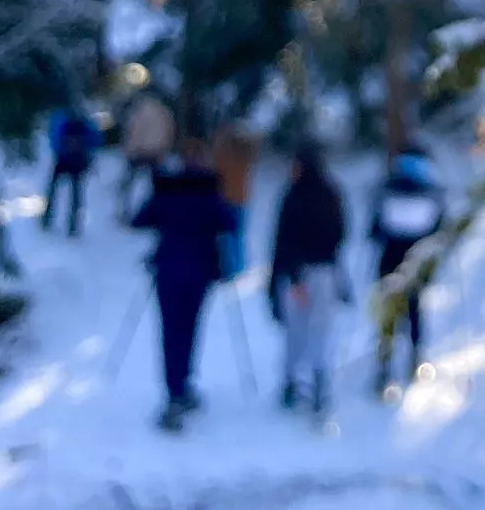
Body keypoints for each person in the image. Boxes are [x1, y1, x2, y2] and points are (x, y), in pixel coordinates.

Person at [132, 141, 239, 431]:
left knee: (170, 330)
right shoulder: (208, 193)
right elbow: (230, 223)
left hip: (167, 270)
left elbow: (140, 219)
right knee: (190, 328)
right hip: (200, 272)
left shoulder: (169, 190)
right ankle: (182, 386)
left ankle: (173, 392)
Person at [267, 143, 348, 417]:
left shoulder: (293, 196)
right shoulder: (331, 193)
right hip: (324, 271)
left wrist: (288, 274)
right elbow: (340, 233)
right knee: (320, 329)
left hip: (296, 275)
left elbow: (283, 240)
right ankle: (319, 379)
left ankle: (291, 380)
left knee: (296, 330)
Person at [369, 142, 446, 397]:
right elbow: (438, 229)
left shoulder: (387, 186)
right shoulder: (431, 189)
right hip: (416, 261)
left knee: (389, 313)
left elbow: (375, 229)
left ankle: (384, 366)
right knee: (414, 309)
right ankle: (415, 359)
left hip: (389, 259)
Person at [117, 76, 175, 223]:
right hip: (156, 152)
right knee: (158, 185)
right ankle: (159, 213)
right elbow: (169, 130)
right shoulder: (163, 111)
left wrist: (129, 150)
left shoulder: (138, 110)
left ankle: (125, 212)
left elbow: (133, 131)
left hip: (138, 152)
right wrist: (164, 148)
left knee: (129, 183)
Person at [42, 101, 102, 237]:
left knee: (53, 190)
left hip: (62, 160)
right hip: (78, 161)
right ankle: (73, 226)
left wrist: (59, 152)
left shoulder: (61, 116)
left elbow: (54, 137)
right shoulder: (86, 120)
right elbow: (96, 139)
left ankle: (47, 220)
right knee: (76, 193)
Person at [212, 121, 260, 274]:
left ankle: (229, 268)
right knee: (237, 236)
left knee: (226, 237)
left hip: (227, 200)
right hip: (241, 200)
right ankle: (237, 267)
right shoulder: (246, 156)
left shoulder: (224, 156)